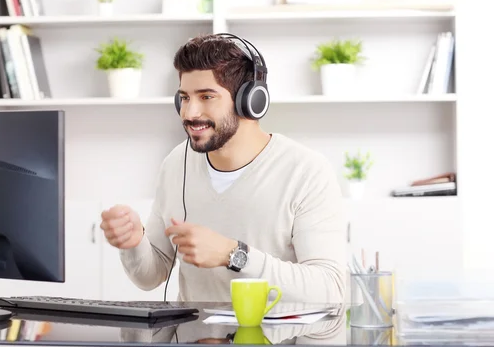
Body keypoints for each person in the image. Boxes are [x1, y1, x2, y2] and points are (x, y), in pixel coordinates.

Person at [100, 33, 347, 307]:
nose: (190, 113)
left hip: (267, 345)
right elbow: (150, 276)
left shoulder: (305, 171)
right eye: (184, 97)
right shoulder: (176, 163)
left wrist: (234, 254)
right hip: (190, 344)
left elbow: (330, 288)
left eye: (207, 96)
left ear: (250, 101)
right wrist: (134, 243)